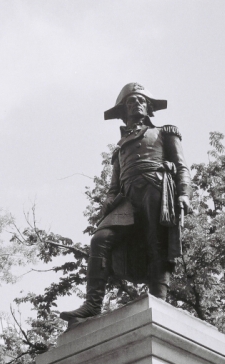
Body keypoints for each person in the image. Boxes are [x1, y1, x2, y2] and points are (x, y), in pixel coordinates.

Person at [60, 82, 191, 328]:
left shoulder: (165, 132)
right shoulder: (120, 146)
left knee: (157, 243)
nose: (136, 105)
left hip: (155, 188)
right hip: (128, 198)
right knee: (100, 239)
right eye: (131, 102)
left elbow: (182, 166)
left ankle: (159, 300)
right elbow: (114, 183)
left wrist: (184, 194)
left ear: (149, 107)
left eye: (141, 101)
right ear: (124, 111)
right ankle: (92, 304)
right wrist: (109, 200)